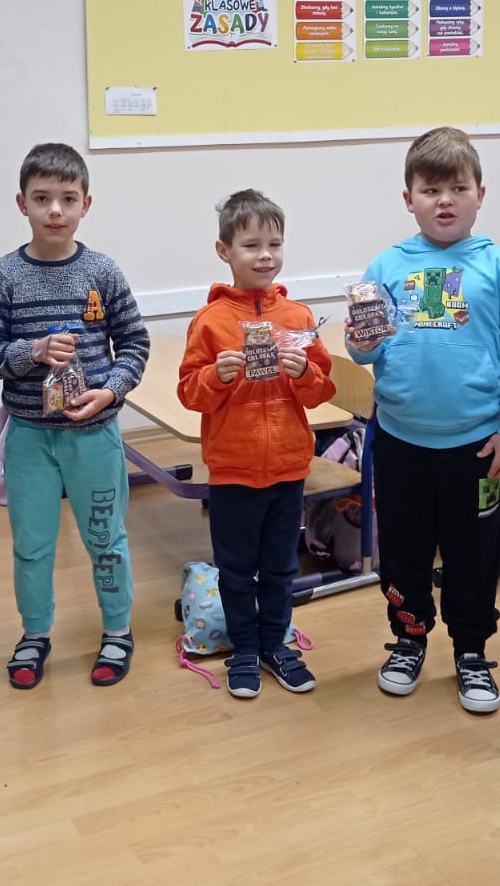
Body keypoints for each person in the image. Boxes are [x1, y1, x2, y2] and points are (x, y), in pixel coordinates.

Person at [348, 127, 500, 713]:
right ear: (409, 199)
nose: (445, 201)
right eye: (431, 190)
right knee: (402, 552)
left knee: (472, 555)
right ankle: (408, 640)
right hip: (400, 441)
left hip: (476, 446)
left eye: (458, 188)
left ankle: (472, 651)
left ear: (481, 193)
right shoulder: (387, 264)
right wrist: (360, 343)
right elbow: (365, 350)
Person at [0, 142, 149, 689]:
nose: (55, 210)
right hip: (29, 438)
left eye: (68, 199)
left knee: (105, 540)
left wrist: (109, 393)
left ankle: (117, 631)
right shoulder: (5, 275)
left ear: (85, 205)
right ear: (21, 203)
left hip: (94, 436)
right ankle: (35, 633)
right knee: (32, 546)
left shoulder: (102, 271)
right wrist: (33, 351)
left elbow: (135, 345)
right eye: (42, 198)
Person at [177, 189, 336, 697]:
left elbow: (322, 392)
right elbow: (189, 393)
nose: (265, 256)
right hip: (233, 470)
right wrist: (216, 377)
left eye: (274, 244)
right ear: (224, 250)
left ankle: (275, 644)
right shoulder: (211, 322)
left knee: (281, 566)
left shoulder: (299, 318)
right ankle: (244, 650)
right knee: (236, 569)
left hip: (289, 467)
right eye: (251, 245)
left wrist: (304, 372)